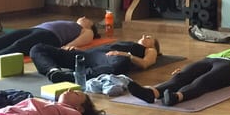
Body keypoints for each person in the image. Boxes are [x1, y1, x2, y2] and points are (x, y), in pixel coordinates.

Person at [127, 41, 230, 106]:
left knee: (204, 80)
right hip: (211, 59)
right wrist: (185, 69)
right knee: (181, 76)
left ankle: (177, 97)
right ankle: (152, 93)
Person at [0, 17, 99, 65]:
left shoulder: (86, 30)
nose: (84, 17)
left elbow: (83, 39)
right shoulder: (70, 23)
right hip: (36, 29)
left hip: (51, 37)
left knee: (20, 46)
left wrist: (68, 47)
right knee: (0, 41)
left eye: (88, 19)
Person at [31, 34, 160, 83]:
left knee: (121, 64)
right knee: (38, 48)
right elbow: (97, 51)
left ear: (154, 46)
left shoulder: (150, 50)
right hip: (89, 55)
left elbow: (145, 63)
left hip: (113, 58)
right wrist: (77, 50)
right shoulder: (127, 42)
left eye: (149, 38)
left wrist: (126, 55)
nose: (144, 36)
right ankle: (53, 71)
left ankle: (73, 77)